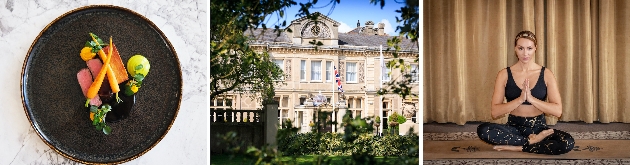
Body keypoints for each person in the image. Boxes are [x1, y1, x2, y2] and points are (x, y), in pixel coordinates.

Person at [476, 31, 574, 155]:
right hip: (514, 127)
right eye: (521, 48)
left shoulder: (546, 74)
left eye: (529, 48)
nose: (525, 53)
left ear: (535, 49)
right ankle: (531, 142)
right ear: (515, 49)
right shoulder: (504, 74)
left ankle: (520, 146)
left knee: (567, 142)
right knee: (483, 130)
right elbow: (495, 112)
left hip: (539, 128)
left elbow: (558, 111)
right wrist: (520, 100)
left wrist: (532, 99)